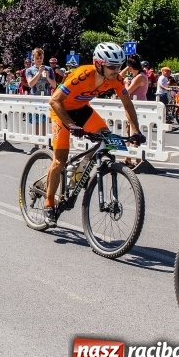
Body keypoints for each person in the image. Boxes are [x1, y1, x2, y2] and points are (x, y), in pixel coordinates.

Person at [44, 42, 144, 227]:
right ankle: (49, 204)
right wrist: (71, 125)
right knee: (59, 161)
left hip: (82, 109)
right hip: (61, 112)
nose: (117, 70)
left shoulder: (115, 79)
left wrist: (136, 130)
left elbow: (127, 104)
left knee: (107, 138)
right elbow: (54, 100)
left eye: (119, 66)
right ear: (98, 64)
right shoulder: (83, 74)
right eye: (112, 67)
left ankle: (80, 168)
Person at [121, 54, 149, 167]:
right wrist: (127, 69)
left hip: (138, 106)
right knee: (129, 131)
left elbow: (127, 92)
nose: (129, 72)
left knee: (134, 132)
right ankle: (128, 158)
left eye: (130, 69)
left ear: (133, 67)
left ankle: (136, 159)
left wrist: (126, 82)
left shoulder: (140, 77)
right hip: (133, 106)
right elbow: (119, 76)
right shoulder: (138, 75)